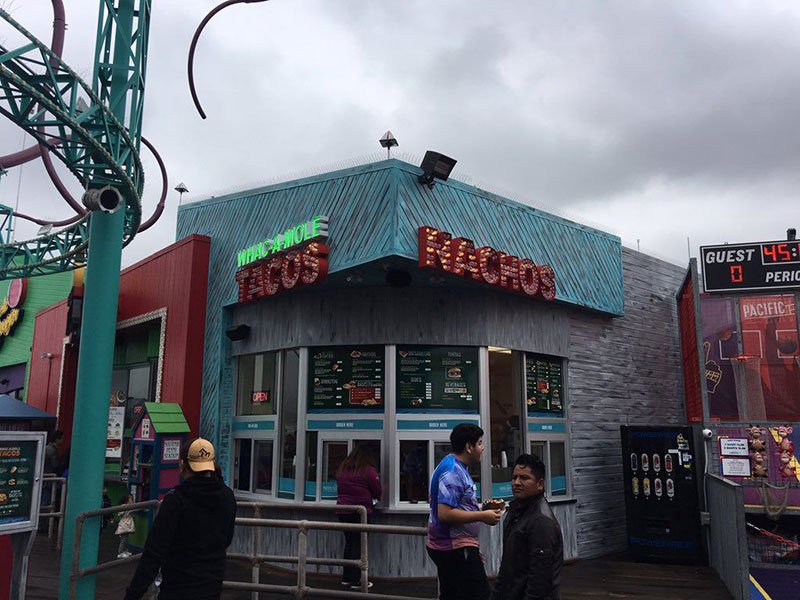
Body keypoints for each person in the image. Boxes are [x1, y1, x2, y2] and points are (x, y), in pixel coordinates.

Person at [124, 438, 237, 600]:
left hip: (178, 588)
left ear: (183, 465)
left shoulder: (176, 500)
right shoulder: (227, 496)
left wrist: (133, 594)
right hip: (212, 586)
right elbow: (227, 538)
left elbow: (154, 554)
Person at [426, 423, 502, 600]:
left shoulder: (456, 467)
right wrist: (483, 516)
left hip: (459, 546)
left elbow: (457, 506)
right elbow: (445, 513)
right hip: (454, 547)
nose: (483, 448)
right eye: (480, 443)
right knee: (480, 595)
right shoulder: (452, 471)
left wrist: (482, 509)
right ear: (469, 447)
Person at [490, 454, 564, 600]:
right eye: (514, 478)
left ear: (540, 484)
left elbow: (540, 580)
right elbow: (506, 569)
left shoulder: (540, 521)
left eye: (524, 478)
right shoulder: (516, 513)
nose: (517, 482)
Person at [336, 444, 382, 589]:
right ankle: (357, 580)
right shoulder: (368, 470)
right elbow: (378, 491)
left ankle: (347, 577)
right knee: (359, 544)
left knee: (350, 543)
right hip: (360, 512)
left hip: (343, 511)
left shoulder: (343, 468)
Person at [115, 494, 136, 558]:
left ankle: (124, 551)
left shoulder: (129, 506)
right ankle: (120, 553)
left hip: (126, 525)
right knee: (123, 540)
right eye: (131, 499)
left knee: (126, 539)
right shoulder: (124, 506)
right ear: (127, 500)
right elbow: (120, 514)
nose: (132, 501)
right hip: (124, 525)